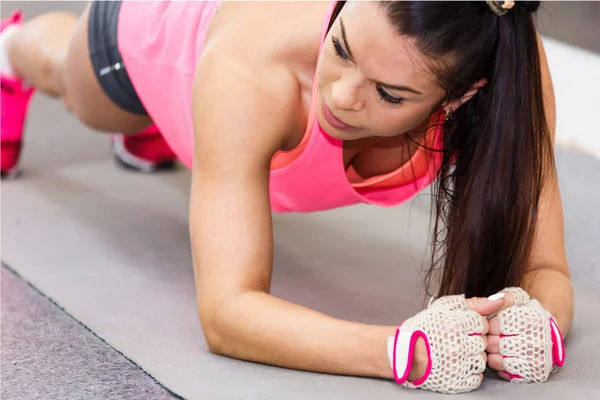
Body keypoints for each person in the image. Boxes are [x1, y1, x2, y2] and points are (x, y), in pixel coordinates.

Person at [0, 0, 574, 393]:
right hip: (154, 36)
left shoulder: (504, 73)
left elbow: (545, 264)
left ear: (461, 96)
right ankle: (12, 47)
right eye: (342, 48)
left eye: (389, 94)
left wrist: (535, 322)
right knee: (70, 84)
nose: (343, 97)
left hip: (226, 109)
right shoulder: (253, 75)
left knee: (220, 144)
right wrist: (401, 350)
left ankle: (169, 135)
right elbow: (227, 313)